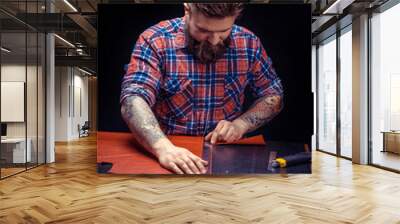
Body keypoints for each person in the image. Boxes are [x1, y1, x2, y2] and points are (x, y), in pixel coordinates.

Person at [120, 3, 283, 174]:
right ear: (187, 10)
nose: (214, 40)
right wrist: (162, 148)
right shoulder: (155, 40)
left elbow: (272, 94)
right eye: (203, 30)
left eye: (223, 31)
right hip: (168, 150)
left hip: (226, 155)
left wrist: (240, 125)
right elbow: (133, 98)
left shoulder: (249, 43)